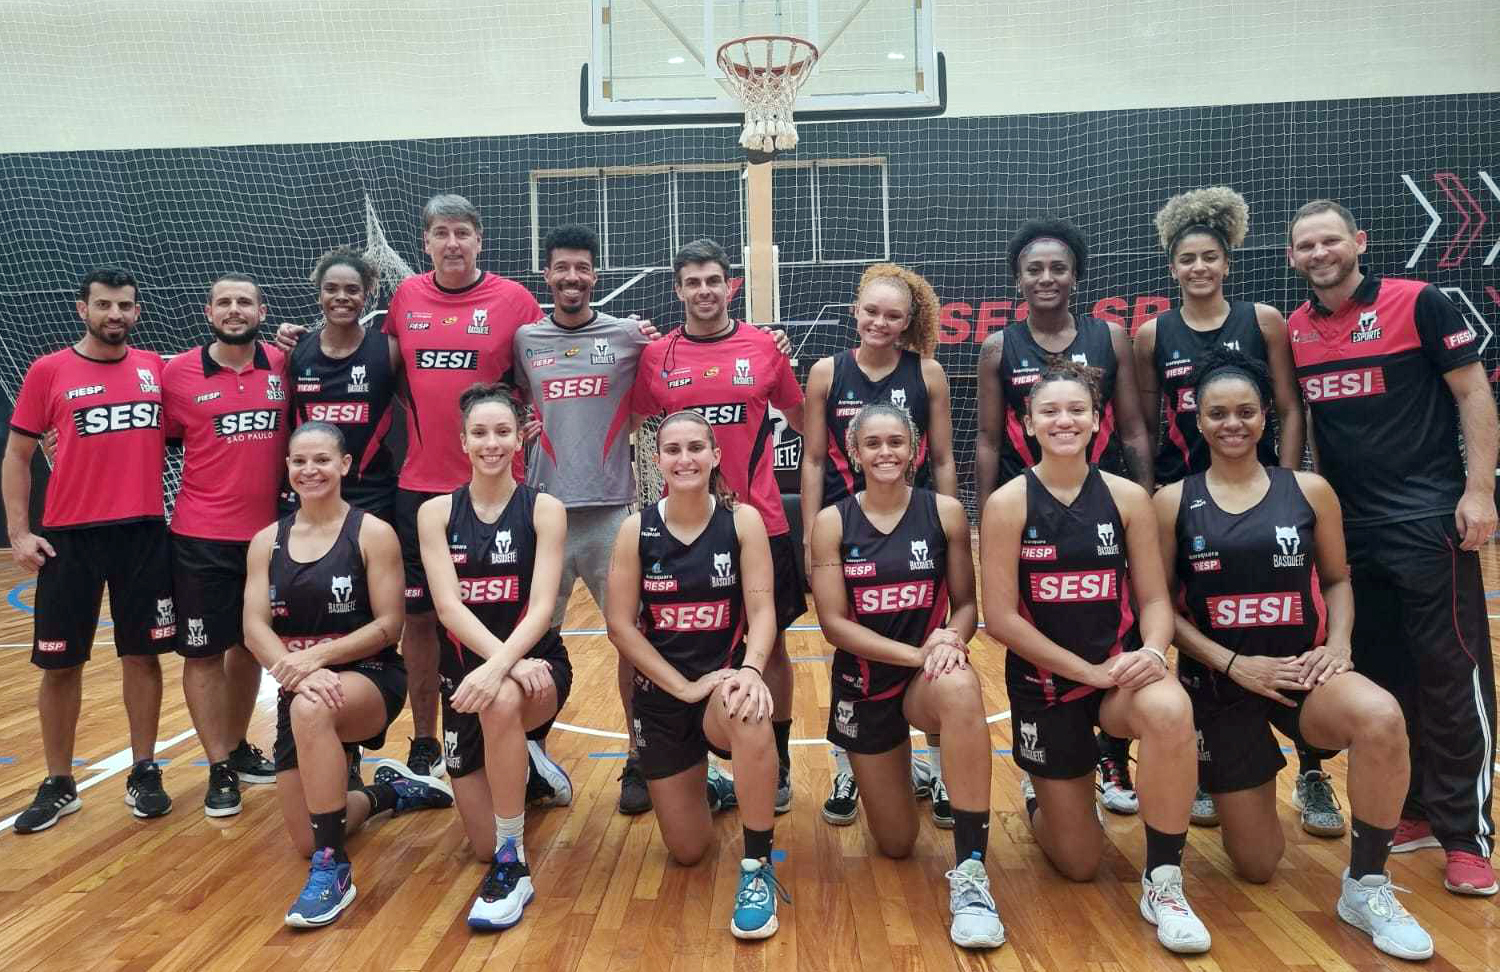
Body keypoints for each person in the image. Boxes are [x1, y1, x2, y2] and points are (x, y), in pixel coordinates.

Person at [1154, 348, 1434, 961]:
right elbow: (1161, 610)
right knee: (1257, 865)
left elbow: (1337, 579)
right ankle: (1221, 773)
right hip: (1223, 686)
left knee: (1382, 717)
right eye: (1218, 413)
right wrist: (1231, 663)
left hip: (1303, 672)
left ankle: (1366, 884)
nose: (1234, 424)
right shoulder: (1173, 501)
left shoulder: (1308, 490)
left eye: (1246, 412)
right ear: (1197, 420)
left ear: (1265, 418)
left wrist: (1337, 646)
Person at [1286, 199, 1498, 896]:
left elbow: (1473, 394)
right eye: (1306, 245)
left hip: (1431, 520)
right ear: (1292, 258)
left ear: (1359, 242)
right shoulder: (1297, 330)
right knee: (1384, 676)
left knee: (1451, 673)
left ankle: (1465, 834)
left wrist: (1478, 491)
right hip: (1350, 531)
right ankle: (1412, 811)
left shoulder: (1421, 302)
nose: (1319, 253)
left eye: (1330, 240)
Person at [1115, 186, 1335, 835]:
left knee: (1293, 622)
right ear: (1173, 267)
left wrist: (1289, 485)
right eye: (1188, 259)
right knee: (1187, 613)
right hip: (1187, 498)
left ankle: (1314, 770)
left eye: (1210, 257)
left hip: (1262, 494)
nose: (1199, 268)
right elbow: (1149, 423)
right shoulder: (1154, 333)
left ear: (1226, 261)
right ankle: (1211, 761)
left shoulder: (1263, 320)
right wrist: (1155, 495)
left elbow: (1291, 407)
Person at [980, 359, 1210, 955]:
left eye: (1076, 409)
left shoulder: (1129, 497)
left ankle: (1163, 881)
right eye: (1049, 411)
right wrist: (1084, 670)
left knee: (1169, 708)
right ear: (1028, 423)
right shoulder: (1008, 503)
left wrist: (1154, 651)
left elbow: (1156, 598)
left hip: (1117, 679)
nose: (1064, 420)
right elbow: (1001, 618)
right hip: (1047, 685)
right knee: (1079, 862)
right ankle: (1043, 794)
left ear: (1097, 419)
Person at [808, 403, 1003, 949]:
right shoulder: (832, 522)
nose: (886, 452)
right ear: (854, 453)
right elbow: (834, 625)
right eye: (873, 444)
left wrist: (950, 640)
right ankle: (910, 771)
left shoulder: (944, 513)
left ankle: (970, 870)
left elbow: (966, 604)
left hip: (927, 678)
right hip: (868, 681)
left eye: (896, 441)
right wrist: (919, 653)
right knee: (895, 843)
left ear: (915, 449)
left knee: (962, 683)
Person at [243, 422, 452, 928]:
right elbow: (254, 626)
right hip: (302, 688)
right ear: (287, 469)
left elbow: (389, 625)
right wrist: (292, 670)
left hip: (370, 677)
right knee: (303, 837)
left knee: (314, 708)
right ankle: (388, 793)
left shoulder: (372, 533)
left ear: (344, 465)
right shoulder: (266, 541)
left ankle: (333, 869)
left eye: (320, 460)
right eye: (298, 461)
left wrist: (316, 659)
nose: (309, 470)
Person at [630, 238, 804, 813]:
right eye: (692, 282)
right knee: (663, 638)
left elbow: (803, 417)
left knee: (770, 643)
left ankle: (774, 762)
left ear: (730, 286)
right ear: (677, 290)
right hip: (681, 528)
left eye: (713, 281)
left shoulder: (764, 347)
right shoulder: (657, 357)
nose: (704, 291)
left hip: (761, 523)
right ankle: (662, 758)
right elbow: (630, 418)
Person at [604, 410, 788, 939]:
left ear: (715, 456)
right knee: (688, 852)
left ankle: (757, 868)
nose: (684, 459)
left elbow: (763, 609)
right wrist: (681, 686)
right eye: (672, 450)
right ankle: (713, 784)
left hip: (720, 688)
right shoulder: (636, 529)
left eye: (694, 448)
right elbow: (619, 626)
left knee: (749, 707)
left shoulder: (742, 521)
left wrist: (751, 669)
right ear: (657, 460)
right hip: (663, 696)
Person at [4, 268, 176, 832]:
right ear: (82, 309)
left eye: (125, 306)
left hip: (143, 532)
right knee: (59, 664)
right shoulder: (48, 371)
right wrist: (20, 532)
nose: (115, 315)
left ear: (138, 312)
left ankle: (144, 769)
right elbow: (18, 457)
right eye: (104, 305)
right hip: (70, 538)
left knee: (142, 656)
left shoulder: (156, 369)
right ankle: (59, 782)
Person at [799, 264, 953, 827]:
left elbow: (940, 459)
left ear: (908, 321)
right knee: (853, 646)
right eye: (872, 312)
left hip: (914, 526)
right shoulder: (825, 372)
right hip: (847, 530)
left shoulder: (927, 372)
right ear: (854, 312)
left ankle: (938, 772)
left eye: (893, 315)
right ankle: (847, 765)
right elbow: (814, 459)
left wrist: (948, 523)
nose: (880, 323)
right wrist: (815, 538)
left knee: (930, 636)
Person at [417, 383, 571, 930]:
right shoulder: (435, 513)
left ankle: (514, 862)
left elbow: (541, 608)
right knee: (475, 845)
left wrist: (501, 667)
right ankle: (527, 771)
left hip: (536, 669)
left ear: (519, 440)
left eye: (502, 432)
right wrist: (498, 663)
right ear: (463, 441)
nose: (491, 442)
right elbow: (448, 607)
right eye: (479, 433)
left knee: (503, 699)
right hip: (466, 682)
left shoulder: (544, 508)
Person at [512, 224, 654, 815]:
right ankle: (529, 755)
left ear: (596, 276)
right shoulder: (523, 340)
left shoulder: (627, 336)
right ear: (546, 275)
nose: (572, 278)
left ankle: (640, 758)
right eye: (561, 268)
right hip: (543, 515)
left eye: (582, 269)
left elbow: (684, 360)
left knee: (632, 640)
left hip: (611, 517)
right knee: (530, 639)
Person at [162, 273, 287, 816]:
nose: (235, 310)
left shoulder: (285, 365)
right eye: (225, 303)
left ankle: (236, 746)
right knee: (203, 651)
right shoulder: (177, 374)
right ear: (208, 311)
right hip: (200, 536)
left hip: (269, 537)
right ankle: (217, 767)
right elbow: (148, 441)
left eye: (245, 302)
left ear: (262, 310)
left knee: (249, 647)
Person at [975, 218, 1154, 500]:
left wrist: (1145, 501)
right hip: (1024, 498)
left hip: (1100, 497)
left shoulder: (1111, 337)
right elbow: (989, 442)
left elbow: (1132, 432)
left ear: (1074, 277)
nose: (1046, 278)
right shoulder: (997, 348)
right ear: (1019, 281)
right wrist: (987, 517)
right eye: (1034, 270)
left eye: (1058, 269)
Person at [281, 247, 399, 523]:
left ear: (366, 293)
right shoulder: (295, 350)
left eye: (352, 289)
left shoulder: (390, 351)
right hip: (310, 490)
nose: (341, 297)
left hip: (371, 492)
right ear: (320, 294)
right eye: (331, 289)